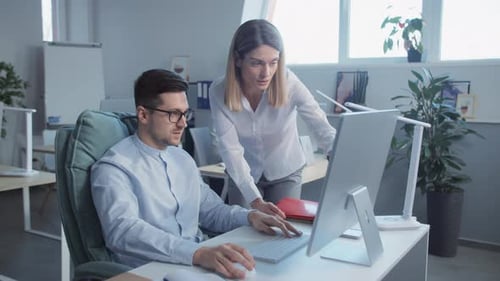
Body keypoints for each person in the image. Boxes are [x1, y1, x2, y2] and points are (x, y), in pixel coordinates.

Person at [91, 69, 301, 280]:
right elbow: (123, 232)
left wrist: (249, 216)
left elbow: (212, 210)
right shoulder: (114, 167)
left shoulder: (182, 159)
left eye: (185, 113)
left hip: (195, 263)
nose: (183, 123)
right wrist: (197, 253)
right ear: (143, 114)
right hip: (149, 270)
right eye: (173, 114)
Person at [209, 19, 336, 218]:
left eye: (273, 62)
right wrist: (255, 199)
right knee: (242, 231)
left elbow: (320, 124)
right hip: (242, 172)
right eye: (256, 63)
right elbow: (230, 150)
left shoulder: (289, 82)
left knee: (285, 233)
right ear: (238, 59)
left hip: (285, 171)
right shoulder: (219, 91)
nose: (266, 73)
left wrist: (338, 155)